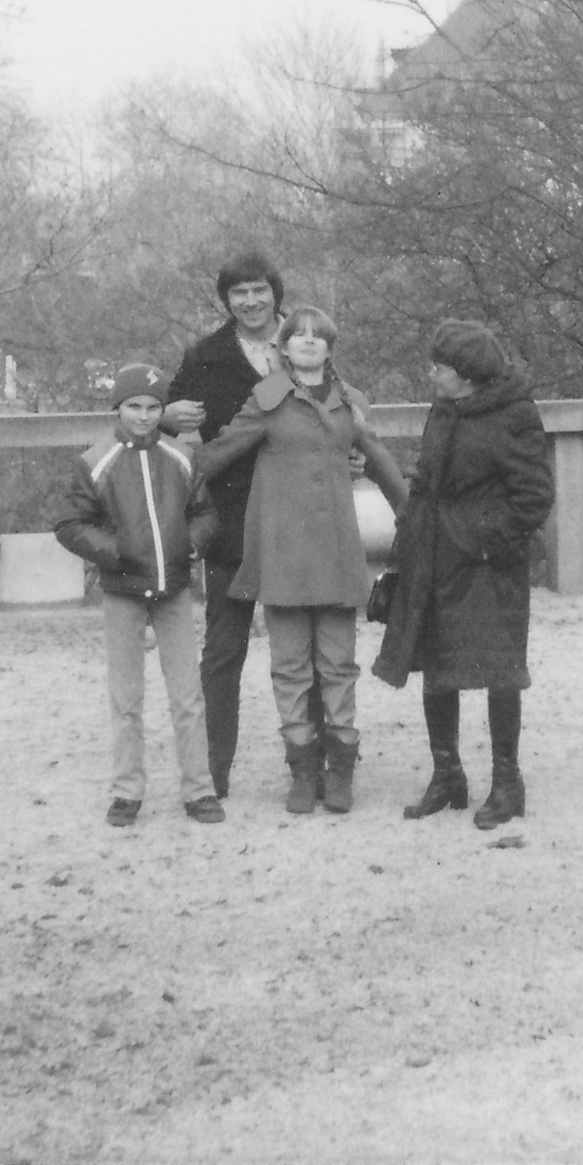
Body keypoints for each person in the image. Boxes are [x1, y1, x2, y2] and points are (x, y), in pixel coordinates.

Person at [193, 306, 408, 815]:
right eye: (299, 335)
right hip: (284, 554)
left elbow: (377, 457)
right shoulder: (266, 400)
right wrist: (158, 474)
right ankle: (303, 772)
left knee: (339, 665)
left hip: (336, 551)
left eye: (319, 336)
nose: (308, 342)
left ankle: (341, 773)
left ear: (330, 348)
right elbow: (216, 454)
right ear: (284, 346)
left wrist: (411, 515)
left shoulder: (350, 403)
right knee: (289, 667)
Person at [160, 252, 329, 800]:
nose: (251, 302)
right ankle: (212, 771)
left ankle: (313, 766)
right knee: (224, 649)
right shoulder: (205, 356)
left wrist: (349, 456)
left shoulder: (306, 340)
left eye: (259, 290)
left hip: (302, 514)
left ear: (276, 292)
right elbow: (170, 420)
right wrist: (167, 417)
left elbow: (340, 410)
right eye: (239, 293)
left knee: (308, 649)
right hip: (232, 518)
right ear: (226, 301)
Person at [373, 320, 554, 830]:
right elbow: (430, 478)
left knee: (500, 671)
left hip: (486, 567)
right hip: (432, 557)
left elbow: (534, 497)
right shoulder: (445, 407)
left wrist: (478, 540)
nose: (432, 373)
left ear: (468, 375)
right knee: (435, 663)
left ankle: (507, 783)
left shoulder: (515, 415)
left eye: (441, 367)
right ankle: (447, 776)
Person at [53, 361, 223, 827]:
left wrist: (189, 543)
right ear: (118, 408)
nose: (144, 416)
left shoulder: (181, 456)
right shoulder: (95, 461)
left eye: (152, 407)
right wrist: (116, 552)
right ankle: (127, 791)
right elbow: (69, 524)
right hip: (122, 590)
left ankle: (199, 789)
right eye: (134, 406)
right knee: (126, 699)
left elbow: (205, 513)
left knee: (187, 696)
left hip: (173, 589)